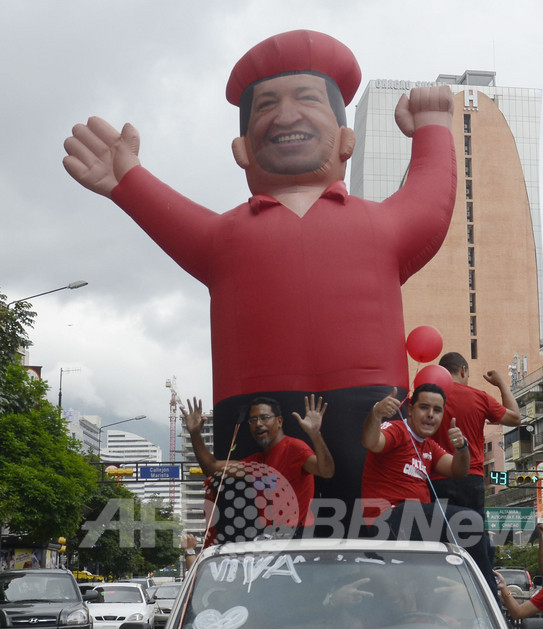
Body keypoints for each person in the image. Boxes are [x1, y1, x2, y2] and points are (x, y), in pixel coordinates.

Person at [63, 29, 457, 510]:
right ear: (242, 149)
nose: (286, 116)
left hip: (371, 402)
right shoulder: (226, 237)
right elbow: (171, 219)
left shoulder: (379, 226)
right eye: (268, 105)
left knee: (373, 520)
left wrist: (433, 129)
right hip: (251, 406)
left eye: (307, 99)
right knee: (257, 526)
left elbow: (428, 205)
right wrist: (127, 180)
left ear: (346, 139)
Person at [360, 384, 497, 596]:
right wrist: (376, 413)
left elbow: (459, 470)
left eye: (437, 410)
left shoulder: (429, 446)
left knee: (486, 543)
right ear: (411, 409)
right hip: (389, 519)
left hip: (415, 524)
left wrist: (461, 447)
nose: (430, 415)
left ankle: (474, 602)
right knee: (469, 521)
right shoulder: (397, 430)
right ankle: (487, 598)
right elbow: (371, 442)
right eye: (424, 407)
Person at [184, 393, 334, 545]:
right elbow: (212, 468)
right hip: (270, 541)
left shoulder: (295, 448)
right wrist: (195, 434)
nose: (258, 424)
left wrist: (315, 434)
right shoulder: (256, 462)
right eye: (253, 420)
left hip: (297, 540)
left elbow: (327, 471)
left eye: (264, 417)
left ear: (279, 421)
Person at [431, 352, 521, 513]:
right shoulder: (480, 397)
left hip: (436, 477)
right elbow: (515, 418)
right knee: (471, 527)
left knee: (437, 527)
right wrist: (501, 383)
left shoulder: (428, 399)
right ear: (463, 370)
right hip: (471, 478)